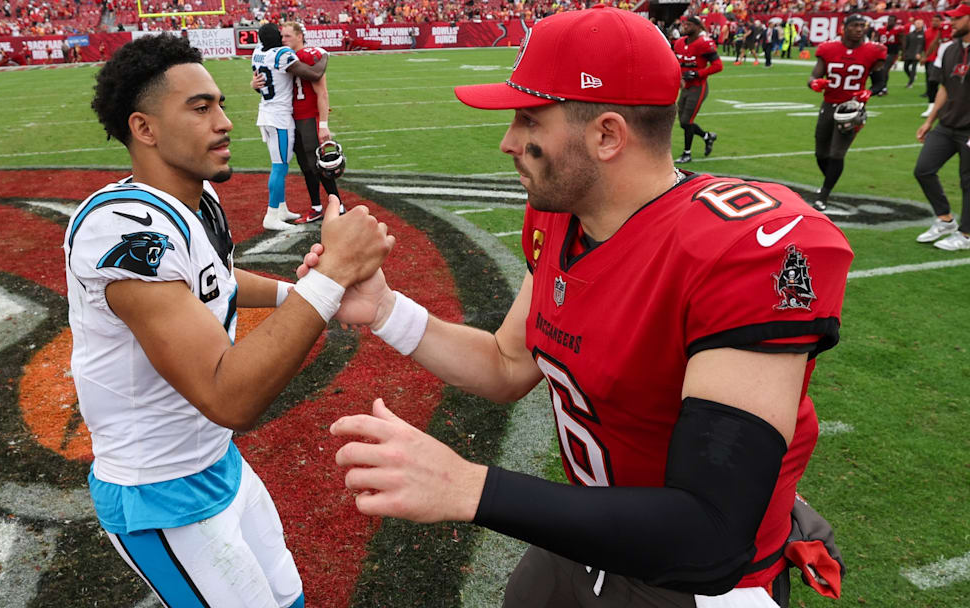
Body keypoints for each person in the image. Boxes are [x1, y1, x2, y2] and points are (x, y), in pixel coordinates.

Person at [315, 8, 854, 607]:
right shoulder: (560, 216)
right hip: (589, 537)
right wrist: (386, 309)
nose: (508, 142)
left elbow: (710, 532)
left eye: (528, 119)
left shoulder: (740, 251)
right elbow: (506, 364)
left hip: (698, 582)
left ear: (606, 134)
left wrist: (469, 487)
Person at [67, 33, 393, 608]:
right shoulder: (123, 229)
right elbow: (228, 395)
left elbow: (217, 282)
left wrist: (308, 291)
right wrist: (330, 277)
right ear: (144, 129)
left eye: (219, 103)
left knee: (288, 595)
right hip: (159, 489)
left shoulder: (196, 203)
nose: (223, 121)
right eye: (200, 108)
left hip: (217, 462)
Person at [252, 22, 328, 230]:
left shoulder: (258, 52)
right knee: (280, 167)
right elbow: (313, 74)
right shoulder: (281, 54)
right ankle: (272, 214)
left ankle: (282, 208)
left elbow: (259, 81)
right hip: (279, 117)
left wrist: (253, 84)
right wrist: (325, 56)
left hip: (266, 113)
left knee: (279, 164)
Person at [807, 13, 886, 211]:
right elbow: (814, 76)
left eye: (862, 25)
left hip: (851, 108)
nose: (859, 29)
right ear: (845, 27)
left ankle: (824, 194)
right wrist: (815, 83)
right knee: (821, 153)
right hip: (828, 105)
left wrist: (870, 91)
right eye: (855, 25)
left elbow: (880, 82)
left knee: (837, 153)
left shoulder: (872, 51)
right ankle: (829, 182)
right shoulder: (828, 49)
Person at [913, 3, 970, 251]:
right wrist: (929, 120)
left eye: (958, 18)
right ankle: (945, 219)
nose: (952, 23)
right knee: (923, 169)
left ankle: (966, 234)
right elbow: (945, 88)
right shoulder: (949, 49)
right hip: (947, 124)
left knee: (968, 182)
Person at [283, 21, 344, 224]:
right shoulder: (285, 57)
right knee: (305, 165)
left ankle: (338, 205)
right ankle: (316, 206)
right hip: (294, 118)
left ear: (300, 36)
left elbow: (322, 91)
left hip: (309, 118)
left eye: (288, 36)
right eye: (282, 36)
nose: (284, 40)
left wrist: (323, 123)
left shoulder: (309, 55)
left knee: (317, 165)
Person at [673, 15, 722, 163]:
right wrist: (679, 78)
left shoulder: (704, 43)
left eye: (688, 25)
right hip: (685, 87)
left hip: (698, 87)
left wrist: (698, 73)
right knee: (683, 122)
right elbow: (677, 63)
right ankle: (707, 136)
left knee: (687, 121)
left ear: (697, 27)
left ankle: (687, 153)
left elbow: (718, 66)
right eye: (684, 24)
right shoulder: (679, 43)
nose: (684, 27)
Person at [922, 13, 954, 117]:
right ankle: (931, 106)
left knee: (951, 84)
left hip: (952, 58)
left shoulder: (962, 29)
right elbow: (935, 42)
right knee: (932, 81)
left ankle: (950, 108)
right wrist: (926, 56)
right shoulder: (944, 27)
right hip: (940, 58)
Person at [870, 15, 904, 96]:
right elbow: (876, 39)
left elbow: (902, 42)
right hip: (882, 52)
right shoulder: (881, 29)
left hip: (892, 52)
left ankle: (883, 88)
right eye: (889, 20)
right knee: (880, 70)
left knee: (884, 69)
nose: (890, 22)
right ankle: (883, 87)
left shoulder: (898, 30)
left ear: (895, 22)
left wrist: (903, 53)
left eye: (892, 20)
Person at [903, 19, 926, 88]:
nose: (918, 24)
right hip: (909, 53)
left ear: (922, 24)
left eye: (919, 23)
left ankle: (910, 83)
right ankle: (912, 77)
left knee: (913, 68)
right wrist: (904, 53)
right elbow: (906, 44)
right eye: (916, 23)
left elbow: (923, 45)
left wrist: (920, 53)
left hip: (917, 54)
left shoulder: (924, 34)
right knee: (905, 67)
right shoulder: (910, 34)